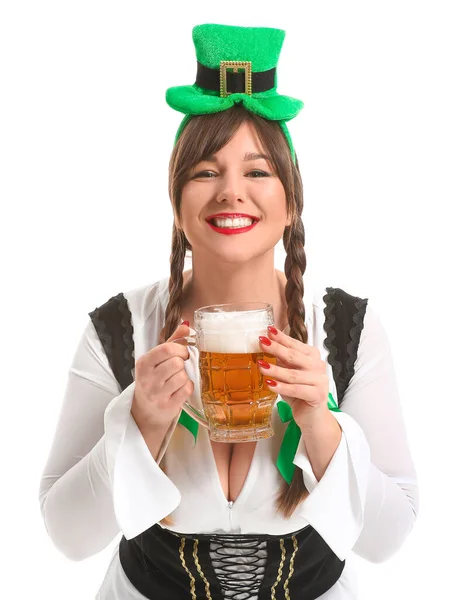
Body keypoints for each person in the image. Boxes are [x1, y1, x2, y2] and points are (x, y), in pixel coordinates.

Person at [39, 23, 419, 600]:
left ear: (291, 202)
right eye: (205, 171)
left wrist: (321, 422)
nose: (230, 192)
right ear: (177, 200)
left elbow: (389, 539)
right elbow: (67, 536)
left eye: (258, 171)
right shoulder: (117, 331)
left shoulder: (346, 332)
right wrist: (139, 422)